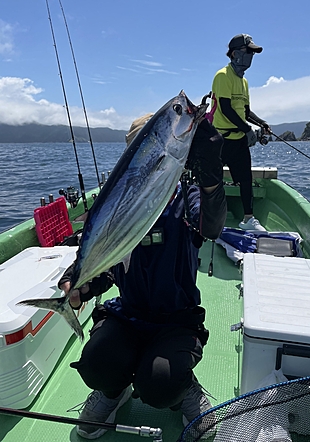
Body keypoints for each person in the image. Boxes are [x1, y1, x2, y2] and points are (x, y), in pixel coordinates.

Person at [59, 114, 226, 439]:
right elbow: (106, 263)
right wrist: (81, 279)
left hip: (176, 321)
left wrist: (210, 177)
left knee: (161, 384)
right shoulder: (118, 203)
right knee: (95, 364)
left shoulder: (186, 196)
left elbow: (212, 226)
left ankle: (185, 390)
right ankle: (113, 392)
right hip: (129, 316)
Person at [208, 33, 271, 231]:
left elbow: (244, 111)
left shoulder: (244, 82)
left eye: (252, 53)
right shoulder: (222, 76)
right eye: (247, 52)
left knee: (245, 180)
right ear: (234, 54)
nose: (250, 57)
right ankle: (209, 217)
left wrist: (261, 123)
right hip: (221, 139)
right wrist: (247, 129)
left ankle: (249, 219)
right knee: (213, 181)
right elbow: (225, 109)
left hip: (239, 139)